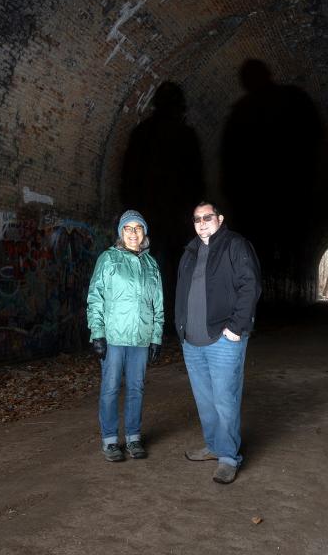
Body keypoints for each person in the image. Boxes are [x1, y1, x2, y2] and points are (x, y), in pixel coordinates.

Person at [175, 201, 261, 484]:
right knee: (205, 400)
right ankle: (214, 446)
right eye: (197, 218)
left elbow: (251, 285)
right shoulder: (189, 252)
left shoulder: (235, 245)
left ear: (220, 219)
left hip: (223, 340)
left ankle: (228, 457)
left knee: (225, 399)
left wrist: (236, 327)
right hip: (192, 340)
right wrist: (181, 329)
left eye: (207, 217)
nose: (202, 222)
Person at [87, 210, 164, 462]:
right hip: (114, 337)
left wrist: (156, 337)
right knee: (110, 389)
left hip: (141, 338)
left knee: (136, 389)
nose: (133, 233)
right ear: (121, 232)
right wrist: (97, 333)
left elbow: (158, 305)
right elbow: (95, 297)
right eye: (128, 228)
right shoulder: (108, 259)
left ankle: (133, 437)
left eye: (138, 228)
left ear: (144, 233)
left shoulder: (151, 264)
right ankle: (110, 440)